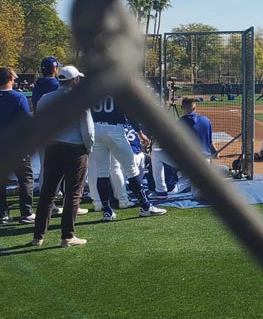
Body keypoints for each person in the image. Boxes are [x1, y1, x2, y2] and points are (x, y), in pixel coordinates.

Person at [31, 65, 94, 247]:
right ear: (75, 80)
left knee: (47, 193)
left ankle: (38, 236)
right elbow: (88, 131)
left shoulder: (45, 99)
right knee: (73, 194)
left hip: (52, 148)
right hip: (75, 149)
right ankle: (67, 236)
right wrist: (88, 149)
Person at [91, 94, 166, 222]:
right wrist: (140, 132)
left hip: (96, 129)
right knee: (131, 170)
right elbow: (130, 113)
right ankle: (145, 206)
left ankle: (107, 211)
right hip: (114, 129)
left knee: (102, 172)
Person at [0, 68, 35, 224]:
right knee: (25, 179)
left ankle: (3, 214)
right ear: (10, 78)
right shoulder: (18, 98)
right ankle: (26, 213)